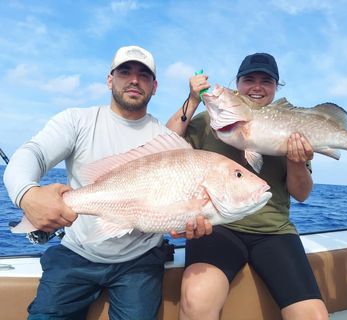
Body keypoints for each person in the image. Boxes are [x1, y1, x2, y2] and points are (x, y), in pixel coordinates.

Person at [3, 45, 211, 320]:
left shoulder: (164, 139)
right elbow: (33, 153)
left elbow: (173, 206)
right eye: (125, 72)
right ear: (110, 79)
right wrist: (28, 195)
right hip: (77, 252)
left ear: (155, 85)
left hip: (140, 260)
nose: (134, 80)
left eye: (144, 75)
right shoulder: (77, 120)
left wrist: (183, 222)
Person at [167, 53, 329, 320]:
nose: (256, 87)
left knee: (314, 316)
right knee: (196, 299)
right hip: (218, 228)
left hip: (274, 231)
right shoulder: (211, 119)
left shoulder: (290, 125)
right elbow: (167, 144)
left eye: (265, 81)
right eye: (248, 80)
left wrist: (297, 161)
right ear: (237, 84)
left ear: (276, 87)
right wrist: (193, 100)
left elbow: (301, 194)